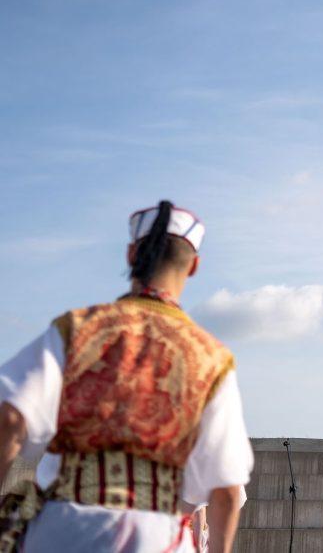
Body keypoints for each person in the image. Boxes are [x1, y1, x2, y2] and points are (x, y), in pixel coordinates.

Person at [0, 201, 254, 553]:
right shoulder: (211, 357)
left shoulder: (75, 330)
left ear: (131, 253)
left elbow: (9, 418)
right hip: (157, 536)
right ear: (194, 266)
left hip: (65, 528)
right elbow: (226, 489)